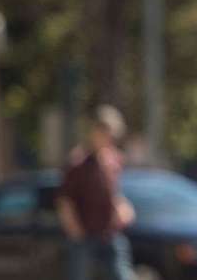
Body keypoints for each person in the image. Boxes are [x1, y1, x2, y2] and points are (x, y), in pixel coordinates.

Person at [56, 105, 136, 280]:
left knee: (121, 275)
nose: (108, 139)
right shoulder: (78, 162)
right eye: (104, 133)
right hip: (84, 235)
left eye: (111, 135)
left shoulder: (113, 159)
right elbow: (65, 201)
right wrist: (75, 231)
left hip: (109, 233)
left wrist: (123, 208)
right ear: (94, 132)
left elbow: (114, 194)